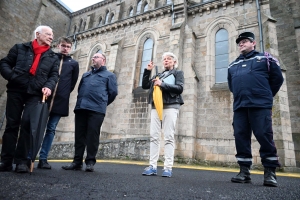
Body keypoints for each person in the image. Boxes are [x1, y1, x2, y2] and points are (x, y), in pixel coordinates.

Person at [227, 32, 284, 187]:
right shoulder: (232, 65)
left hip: (260, 105)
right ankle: (244, 172)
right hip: (240, 106)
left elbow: (277, 79)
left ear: (253, 43)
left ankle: (270, 173)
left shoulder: (265, 59)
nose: (241, 44)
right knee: (240, 136)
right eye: (239, 42)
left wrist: (265, 95)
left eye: (245, 41)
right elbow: (232, 85)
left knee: (264, 135)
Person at [0, 25, 59, 173]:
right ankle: (6, 161)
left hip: (36, 93)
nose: (51, 37)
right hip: (16, 90)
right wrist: (12, 77)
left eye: (52, 35)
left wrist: (49, 86)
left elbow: (54, 76)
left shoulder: (53, 57)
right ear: (38, 34)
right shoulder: (20, 48)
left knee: (27, 125)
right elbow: (4, 63)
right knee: (12, 125)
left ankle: (21, 161)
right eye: (48, 34)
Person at [62, 53, 118, 172]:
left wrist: (102, 102)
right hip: (81, 108)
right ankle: (77, 162)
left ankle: (90, 162)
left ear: (103, 60)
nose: (93, 58)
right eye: (92, 57)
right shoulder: (86, 74)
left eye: (96, 57)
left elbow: (113, 93)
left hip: (97, 110)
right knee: (79, 136)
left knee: (92, 136)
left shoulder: (109, 75)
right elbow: (80, 89)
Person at [37, 37, 79, 169]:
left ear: (70, 48)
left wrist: (63, 93)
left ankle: (43, 159)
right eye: (63, 46)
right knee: (38, 128)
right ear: (58, 45)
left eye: (68, 46)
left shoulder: (73, 63)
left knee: (51, 129)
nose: (65, 48)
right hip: (44, 98)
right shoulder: (50, 57)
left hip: (60, 101)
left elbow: (72, 84)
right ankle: (29, 156)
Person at [141, 52, 184, 178]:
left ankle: (167, 168)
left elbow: (179, 88)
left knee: (168, 137)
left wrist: (162, 84)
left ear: (174, 62)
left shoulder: (177, 73)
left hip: (171, 106)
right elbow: (145, 85)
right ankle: (152, 166)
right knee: (154, 136)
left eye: (168, 59)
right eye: (164, 59)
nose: (165, 61)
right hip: (156, 106)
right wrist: (147, 71)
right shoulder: (158, 75)